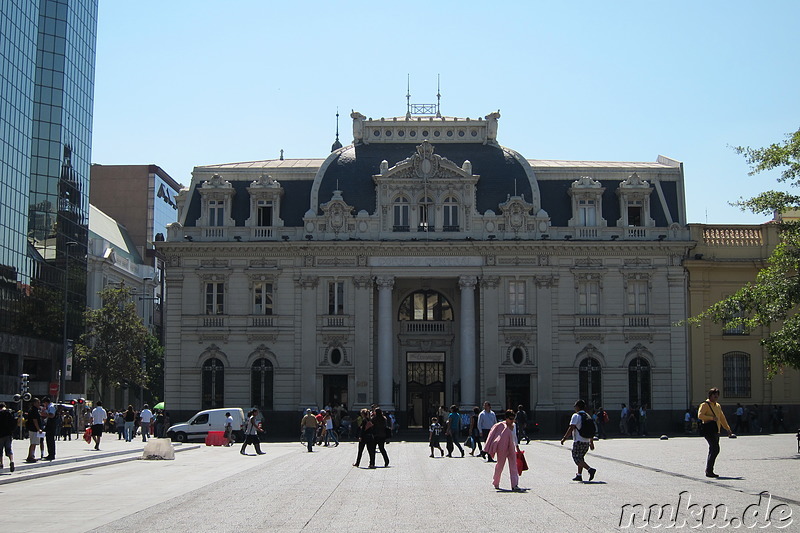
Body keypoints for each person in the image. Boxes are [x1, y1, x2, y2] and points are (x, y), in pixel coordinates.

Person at [697, 387, 734, 478]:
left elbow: (722, 418)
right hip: (708, 430)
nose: (716, 396)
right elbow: (700, 415)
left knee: (713, 449)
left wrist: (727, 429)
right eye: (714, 395)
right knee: (715, 449)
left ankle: (709, 470)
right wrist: (711, 418)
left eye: (717, 395)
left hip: (716, 430)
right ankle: (709, 470)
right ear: (710, 395)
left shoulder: (717, 406)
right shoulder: (705, 405)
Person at [483, 409, 521, 491]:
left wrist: (517, 446)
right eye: (510, 419)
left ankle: (515, 485)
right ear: (506, 418)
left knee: (513, 465)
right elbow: (492, 435)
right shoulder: (500, 425)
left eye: (513, 418)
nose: (512, 420)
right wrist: (488, 447)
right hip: (502, 447)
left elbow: (515, 437)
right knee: (500, 465)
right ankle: (496, 482)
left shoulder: (514, 426)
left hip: (511, 446)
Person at [560, 399, 597, 482]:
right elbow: (591, 429)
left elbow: (571, 427)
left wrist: (564, 438)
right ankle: (579, 475)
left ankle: (590, 469)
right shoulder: (588, 416)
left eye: (575, 406)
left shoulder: (576, 416)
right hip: (586, 441)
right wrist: (591, 442)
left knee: (576, 458)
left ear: (577, 407)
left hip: (579, 441)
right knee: (581, 458)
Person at [25, 397, 43, 463]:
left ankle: (32, 455)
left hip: (33, 429)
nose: (39, 404)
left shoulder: (35, 410)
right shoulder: (34, 410)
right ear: (34, 403)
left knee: (34, 443)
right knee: (33, 443)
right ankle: (30, 456)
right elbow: (35, 420)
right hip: (34, 429)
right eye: (38, 402)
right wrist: (38, 429)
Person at [0, 402, 15, 473]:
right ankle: (11, 461)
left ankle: (1, 463)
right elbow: (13, 422)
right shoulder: (9, 413)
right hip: (8, 434)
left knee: (0, 450)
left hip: (0, 435)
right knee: (9, 449)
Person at [41, 396, 57, 460]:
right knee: (48, 439)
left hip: (51, 424)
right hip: (49, 424)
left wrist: (44, 414)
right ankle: (50, 453)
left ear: (46, 402)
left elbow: (52, 415)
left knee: (50, 440)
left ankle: (51, 454)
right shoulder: (48, 407)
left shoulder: (51, 407)